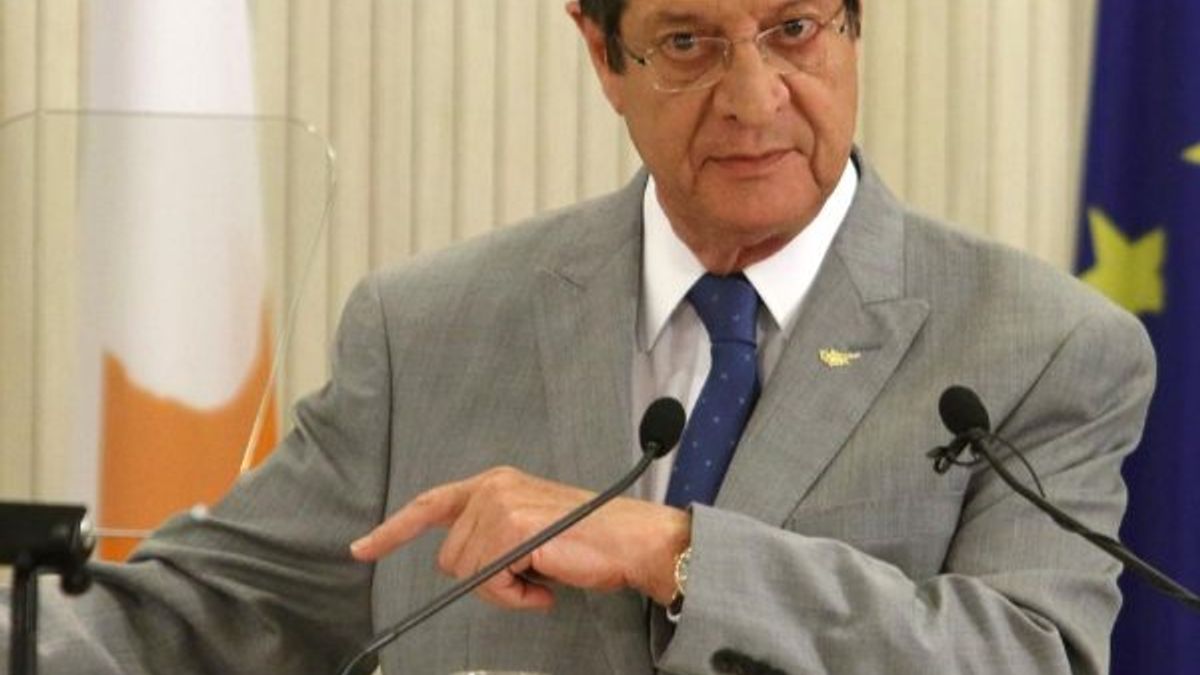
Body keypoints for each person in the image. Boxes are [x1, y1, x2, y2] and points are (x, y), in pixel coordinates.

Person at [1, 1, 1155, 673]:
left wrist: (674, 551)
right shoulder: (429, 329)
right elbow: (197, 620)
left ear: (856, 29)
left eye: (794, 29)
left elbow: (1028, 654)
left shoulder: (1039, 345)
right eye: (688, 42)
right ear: (603, 55)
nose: (755, 97)